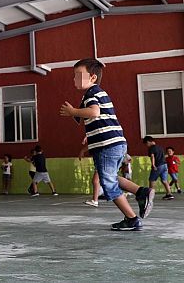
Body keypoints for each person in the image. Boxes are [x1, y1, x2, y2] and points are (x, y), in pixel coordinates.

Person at [60, 58, 155, 231]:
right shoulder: (97, 92)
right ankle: (142, 192)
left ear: (93, 77)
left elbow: (94, 112)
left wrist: (73, 111)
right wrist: (89, 136)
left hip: (107, 146)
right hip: (116, 143)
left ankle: (131, 219)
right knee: (110, 177)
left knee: (108, 183)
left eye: (78, 75)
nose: (75, 79)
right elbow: (101, 118)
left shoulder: (91, 94)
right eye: (74, 76)